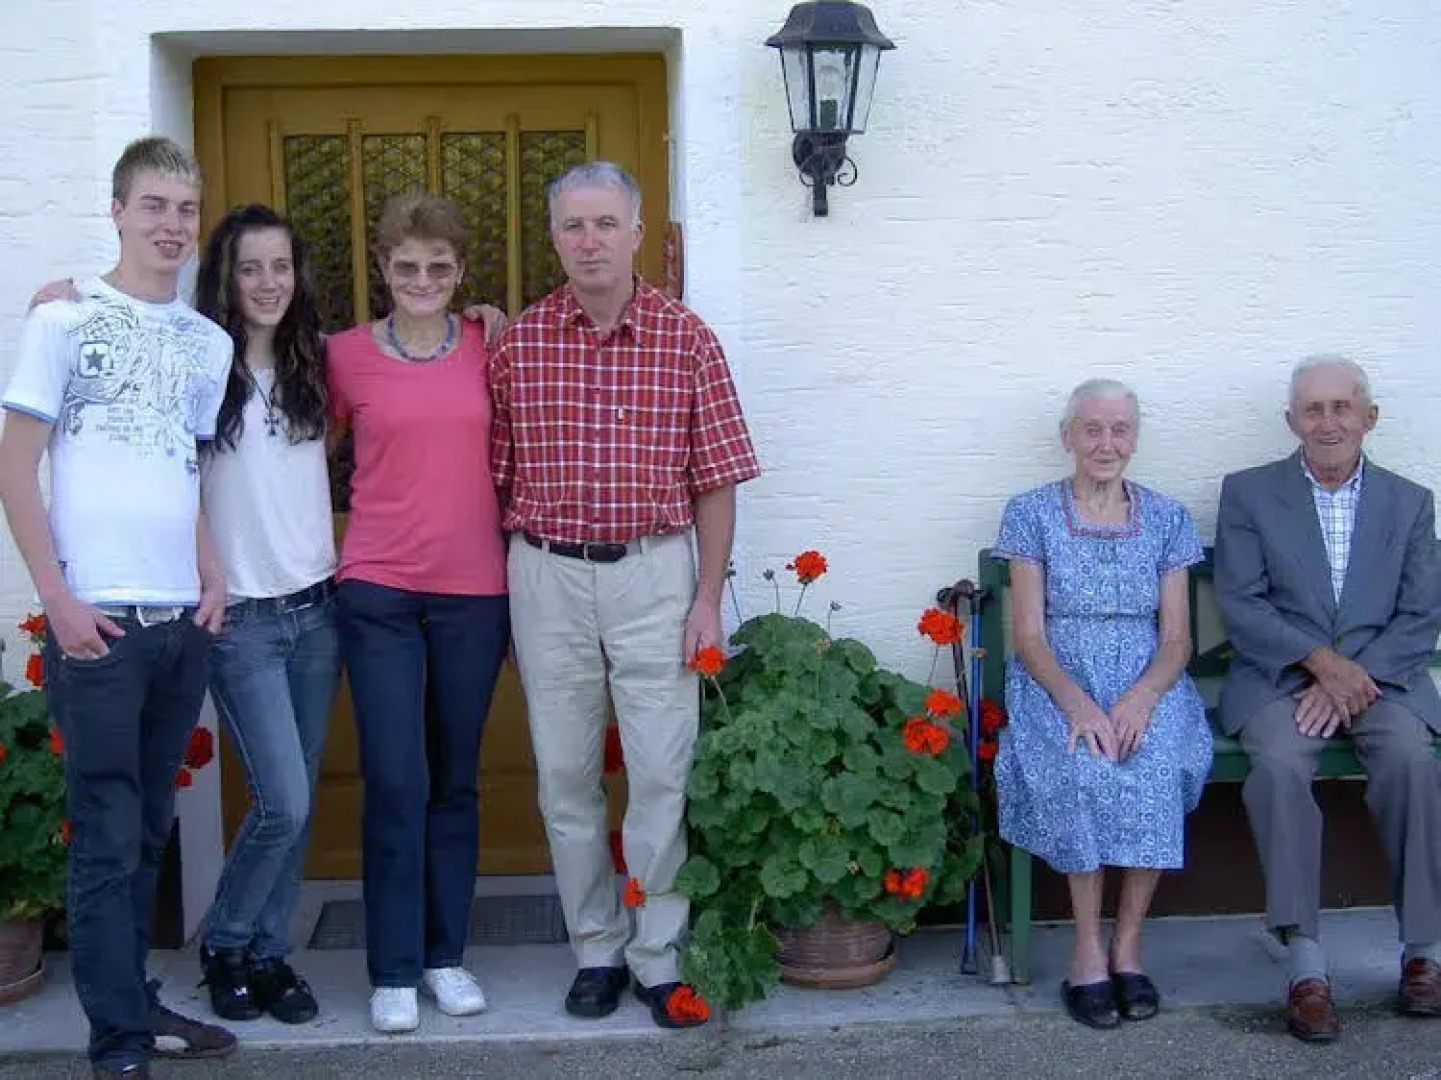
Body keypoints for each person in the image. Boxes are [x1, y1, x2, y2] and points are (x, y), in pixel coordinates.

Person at [490, 160, 760, 1029]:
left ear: (638, 232)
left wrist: (707, 600)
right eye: (574, 226)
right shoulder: (520, 344)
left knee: (658, 775)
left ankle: (656, 954)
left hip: (654, 573)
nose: (590, 240)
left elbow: (717, 482)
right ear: (554, 237)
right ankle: (595, 947)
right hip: (547, 574)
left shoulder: (687, 339)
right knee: (565, 774)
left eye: (606, 224)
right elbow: (491, 482)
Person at [0, 136, 236, 1079]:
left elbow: (184, 473)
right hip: (97, 625)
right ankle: (119, 1044)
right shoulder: (61, 321)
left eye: (185, 209)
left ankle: (132, 999)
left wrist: (212, 575)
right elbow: (16, 470)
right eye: (153, 206)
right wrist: (54, 596)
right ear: (117, 210)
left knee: (144, 835)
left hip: (180, 624)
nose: (171, 226)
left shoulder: (206, 342)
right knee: (103, 835)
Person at [1214, 355, 1441, 1042]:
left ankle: (1424, 954)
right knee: (1278, 768)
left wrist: (1353, 677)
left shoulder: (1409, 502)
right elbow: (1240, 603)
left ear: (1368, 417)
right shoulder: (1249, 494)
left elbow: (1421, 612)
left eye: (1341, 407)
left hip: (1384, 679)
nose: (1327, 421)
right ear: (1291, 420)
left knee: (1411, 759)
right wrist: (1319, 665)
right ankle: (1305, 966)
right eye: (1311, 409)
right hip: (1280, 679)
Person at [327, 192, 510, 1035]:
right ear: (383, 268)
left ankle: (444, 957)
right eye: (407, 266)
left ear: (461, 271)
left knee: (453, 781)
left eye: (440, 267)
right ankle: (392, 968)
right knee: (396, 778)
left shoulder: (491, 345)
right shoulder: (344, 358)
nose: (424, 279)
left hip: (474, 591)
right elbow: (283, 444)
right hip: (377, 590)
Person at [990, 378, 1212, 1030]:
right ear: (1067, 437)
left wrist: (1142, 698)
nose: (1105, 443)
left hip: (1148, 679)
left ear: (1133, 439)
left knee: (1154, 769)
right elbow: (1027, 633)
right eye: (1091, 429)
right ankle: (1085, 947)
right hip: (1057, 678)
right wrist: (1077, 704)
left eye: (1119, 430)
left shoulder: (1167, 518)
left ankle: (1127, 946)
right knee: (1082, 768)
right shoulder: (1030, 512)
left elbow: (1176, 638)